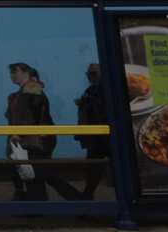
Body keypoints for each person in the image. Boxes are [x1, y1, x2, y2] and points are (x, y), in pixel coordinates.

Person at [6, 62, 81, 202]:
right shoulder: (21, 93)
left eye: (15, 72)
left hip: (36, 139)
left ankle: (78, 200)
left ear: (26, 73)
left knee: (42, 172)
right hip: (35, 138)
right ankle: (39, 202)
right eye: (11, 72)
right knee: (35, 173)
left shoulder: (31, 89)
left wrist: (18, 134)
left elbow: (28, 115)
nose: (12, 75)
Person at [75, 63, 111, 198]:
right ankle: (87, 196)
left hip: (105, 136)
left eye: (93, 73)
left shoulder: (105, 90)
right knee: (93, 169)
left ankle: (87, 197)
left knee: (95, 168)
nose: (90, 77)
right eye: (88, 74)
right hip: (96, 136)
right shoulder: (91, 90)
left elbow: (101, 111)